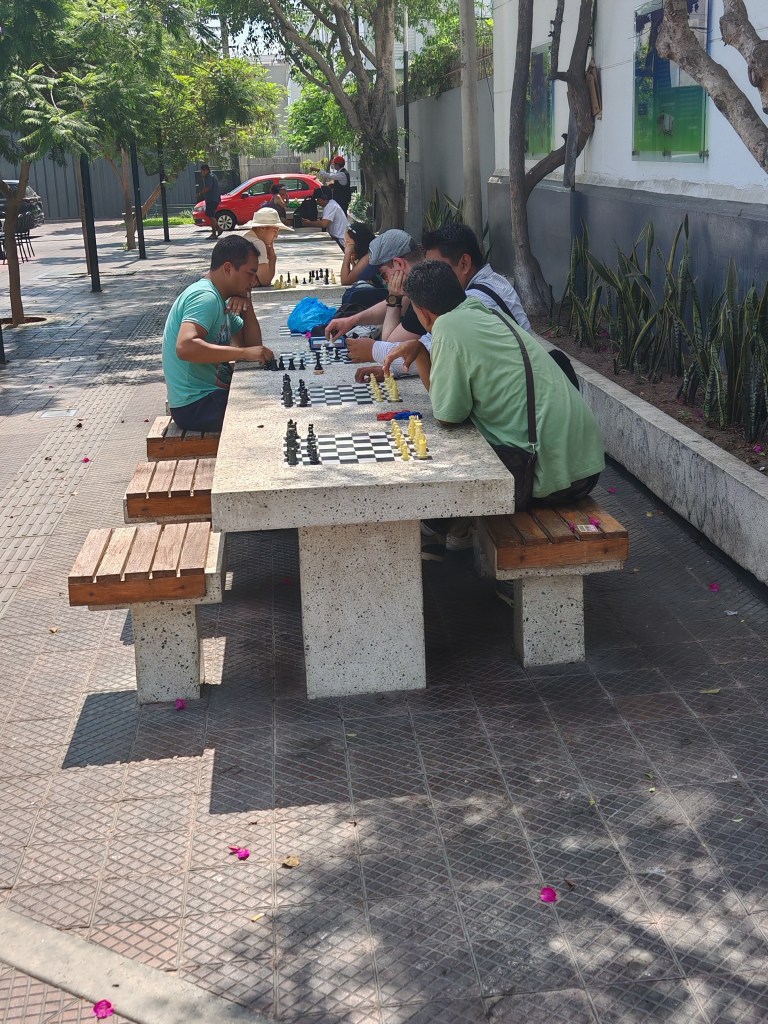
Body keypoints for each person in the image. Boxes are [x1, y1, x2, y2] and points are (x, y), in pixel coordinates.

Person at [382, 260, 604, 524]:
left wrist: (421, 353)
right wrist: (420, 351)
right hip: (586, 464)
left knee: (435, 456)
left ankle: (439, 532)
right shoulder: (483, 311)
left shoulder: (447, 327)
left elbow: (448, 416)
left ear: (422, 312)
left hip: (552, 476)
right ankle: (456, 530)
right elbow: (447, 404)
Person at [162, 234, 274, 433]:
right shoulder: (206, 298)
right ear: (228, 268)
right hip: (195, 405)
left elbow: (253, 346)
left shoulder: (221, 299)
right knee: (270, 415)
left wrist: (247, 303)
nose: (254, 281)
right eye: (250, 273)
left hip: (206, 398)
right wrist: (243, 354)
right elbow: (185, 347)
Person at [325, 229, 426, 365]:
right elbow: (395, 304)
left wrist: (394, 298)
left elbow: (389, 348)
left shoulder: (424, 293)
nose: (385, 281)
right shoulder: (421, 281)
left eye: (383, 274)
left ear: (399, 264)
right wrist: (351, 321)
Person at [421, 223, 531, 331]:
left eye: (437, 269)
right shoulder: (497, 281)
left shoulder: (471, 303)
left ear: (464, 263)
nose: (432, 278)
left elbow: (440, 338)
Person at [237, 206, 293, 287]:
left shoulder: (246, 238)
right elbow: (266, 281)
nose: (276, 236)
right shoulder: (258, 244)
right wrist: (272, 258)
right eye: (275, 231)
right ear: (262, 228)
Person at [197, 164, 222, 239]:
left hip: (212, 199)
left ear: (206, 170)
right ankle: (215, 232)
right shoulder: (213, 175)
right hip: (214, 198)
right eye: (201, 171)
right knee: (211, 215)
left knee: (211, 215)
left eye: (203, 171)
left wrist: (200, 193)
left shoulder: (209, 177)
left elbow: (208, 187)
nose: (202, 172)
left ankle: (217, 230)